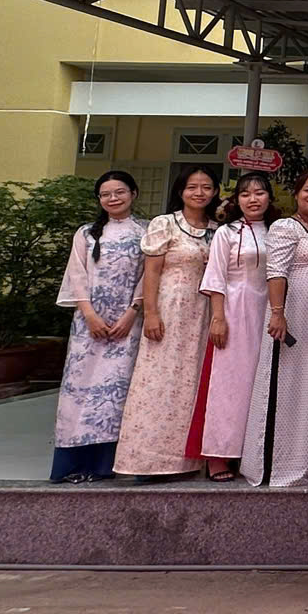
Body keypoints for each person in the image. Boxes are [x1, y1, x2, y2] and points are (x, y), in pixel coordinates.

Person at [114, 168, 218, 479]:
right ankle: (147, 460)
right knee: (159, 381)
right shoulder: (165, 224)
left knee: (192, 381)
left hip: (203, 313)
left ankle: (187, 460)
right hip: (169, 309)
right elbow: (152, 272)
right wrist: (151, 313)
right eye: (192, 187)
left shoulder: (218, 229)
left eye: (206, 187)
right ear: (180, 191)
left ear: (215, 192)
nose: (199, 193)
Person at [53, 173, 147, 481]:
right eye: (106, 194)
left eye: (120, 192)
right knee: (79, 391)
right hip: (88, 326)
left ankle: (107, 465)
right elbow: (76, 276)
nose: (113, 198)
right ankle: (72, 464)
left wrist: (132, 313)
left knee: (116, 392)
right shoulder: (85, 233)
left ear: (133, 193)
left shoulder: (146, 231)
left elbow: (148, 277)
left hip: (127, 326)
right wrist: (90, 315)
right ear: (99, 199)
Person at [193, 172, 277, 480]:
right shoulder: (226, 233)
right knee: (229, 383)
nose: (253, 199)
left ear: (270, 198)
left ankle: (252, 452)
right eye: (245, 194)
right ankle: (218, 454)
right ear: (236, 200)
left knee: (261, 383)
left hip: (268, 310)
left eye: (259, 193)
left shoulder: (279, 231)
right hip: (235, 310)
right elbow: (216, 276)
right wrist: (218, 317)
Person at [250, 168, 308, 487]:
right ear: (296, 194)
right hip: (293, 309)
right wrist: (278, 313)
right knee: (288, 383)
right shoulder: (285, 227)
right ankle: (279, 464)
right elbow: (276, 272)